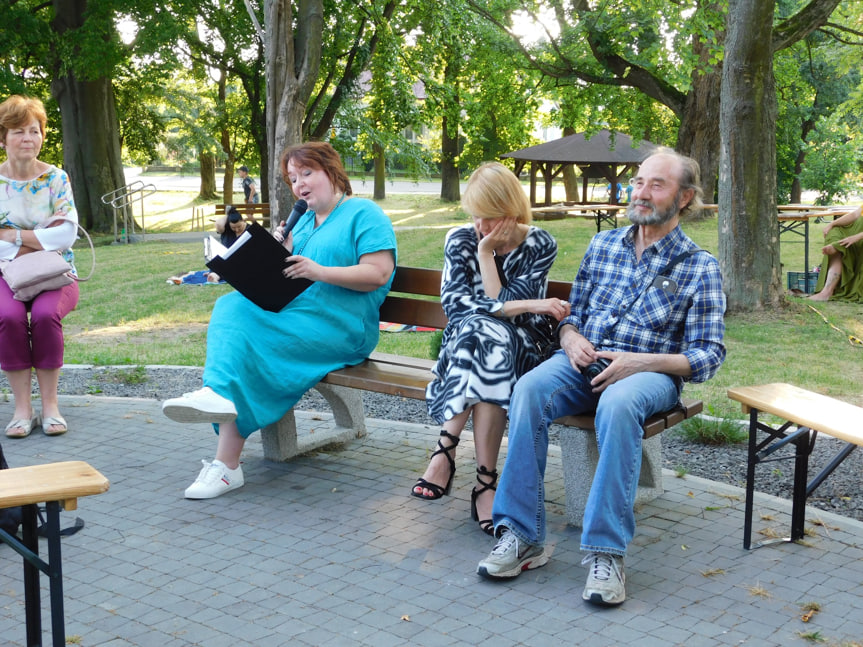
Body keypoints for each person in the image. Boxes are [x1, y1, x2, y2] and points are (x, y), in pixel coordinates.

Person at [476, 149, 726, 607]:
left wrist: (640, 362)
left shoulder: (699, 266)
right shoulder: (603, 245)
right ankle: (521, 535)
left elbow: (709, 356)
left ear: (685, 197)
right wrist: (569, 337)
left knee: (618, 403)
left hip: (649, 374)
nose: (642, 193)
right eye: (638, 182)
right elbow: (575, 316)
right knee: (529, 388)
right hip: (582, 362)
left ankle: (606, 553)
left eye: (657, 185)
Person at [161, 141, 396, 499]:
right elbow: (283, 278)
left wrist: (320, 271)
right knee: (230, 307)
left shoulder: (364, 214)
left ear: (332, 172)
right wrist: (270, 253)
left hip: (343, 328)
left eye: (307, 173)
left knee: (250, 349)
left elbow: (378, 273)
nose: (299, 184)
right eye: (292, 178)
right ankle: (217, 406)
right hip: (296, 318)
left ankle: (225, 462)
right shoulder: (301, 226)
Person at [411, 162, 570, 535]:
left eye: (489, 218)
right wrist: (531, 303)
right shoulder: (460, 239)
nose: (480, 228)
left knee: (490, 336)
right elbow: (455, 305)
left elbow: (506, 307)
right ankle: (485, 481)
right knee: (486, 338)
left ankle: (444, 453)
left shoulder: (540, 244)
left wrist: (486, 257)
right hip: (471, 346)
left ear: (512, 213)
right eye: (475, 217)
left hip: (525, 348)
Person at [0, 95, 80, 438]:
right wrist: (38, 235)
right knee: (8, 317)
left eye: (34, 131)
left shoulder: (56, 179)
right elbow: (51, 233)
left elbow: (66, 234)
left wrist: (14, 237)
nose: (28, 138)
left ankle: (50, 407)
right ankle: (22, 409)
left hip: (55, 273)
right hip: (4, 274)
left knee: (46, 316)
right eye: (18, 131)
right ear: (2, 138)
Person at [807, 205, 863, 302]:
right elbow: (855, 214)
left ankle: (837, 246)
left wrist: (856, 237)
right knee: (834, 232)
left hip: (860, 235)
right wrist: (832, 224)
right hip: (856, 229)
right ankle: (826, 292)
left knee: (841, 245)